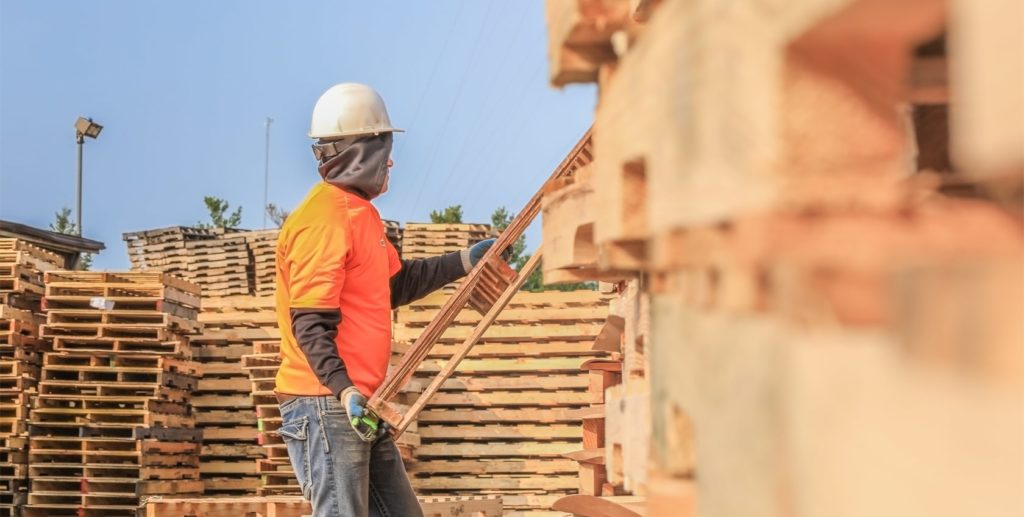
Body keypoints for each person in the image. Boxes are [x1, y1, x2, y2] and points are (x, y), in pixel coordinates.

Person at [273, 82, 508, 517]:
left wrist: (463, 260)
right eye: (385, 150)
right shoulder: (324, 218)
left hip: (358, 403)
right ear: (360, 151)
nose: (392, 162)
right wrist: (344, 392)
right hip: (327, 404)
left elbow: (393, 286)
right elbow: (309, 321)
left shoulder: (360, 214)